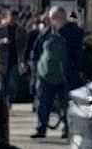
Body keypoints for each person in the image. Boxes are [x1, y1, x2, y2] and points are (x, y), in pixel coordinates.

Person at [31, 9, 85, 140]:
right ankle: (41, 128)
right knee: (43, 103)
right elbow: (36, 51)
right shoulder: (46, 33)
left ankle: (67, 129)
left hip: (65, 76)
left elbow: (77, 54)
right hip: (45, 75)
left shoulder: (73, 33)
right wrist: (36, 68)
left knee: (66, 104)